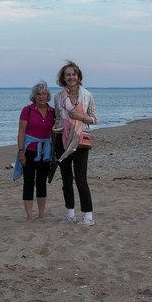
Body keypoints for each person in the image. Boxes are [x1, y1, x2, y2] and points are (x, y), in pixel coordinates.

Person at [52, 60, 97, 226]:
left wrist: (81, 118)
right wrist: (57, 127)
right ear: (63, 78)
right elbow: (57, 118)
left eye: (74, 74)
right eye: (68, 75)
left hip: (80, 140)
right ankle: (70, 214)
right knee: (65, 180)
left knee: (81, 179)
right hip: (62, 141)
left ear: (78, 77)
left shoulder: (87, 95)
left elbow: (95, 119)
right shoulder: (58, 97)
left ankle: (88, 216)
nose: (71, 77)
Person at [14, 80, 55, 221]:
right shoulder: (28, 110)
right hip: (29, 151)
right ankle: (29, 216)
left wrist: (54, 154)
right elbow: (21, 132)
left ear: (48, 96)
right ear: (34, 96)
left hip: (45, 153)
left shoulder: (52, 112)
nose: (41, 96)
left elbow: (55, 133)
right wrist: (20, 151)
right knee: (29, 183)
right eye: (38, 94)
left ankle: (42, 215)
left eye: (44, 93)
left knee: (42, 183)